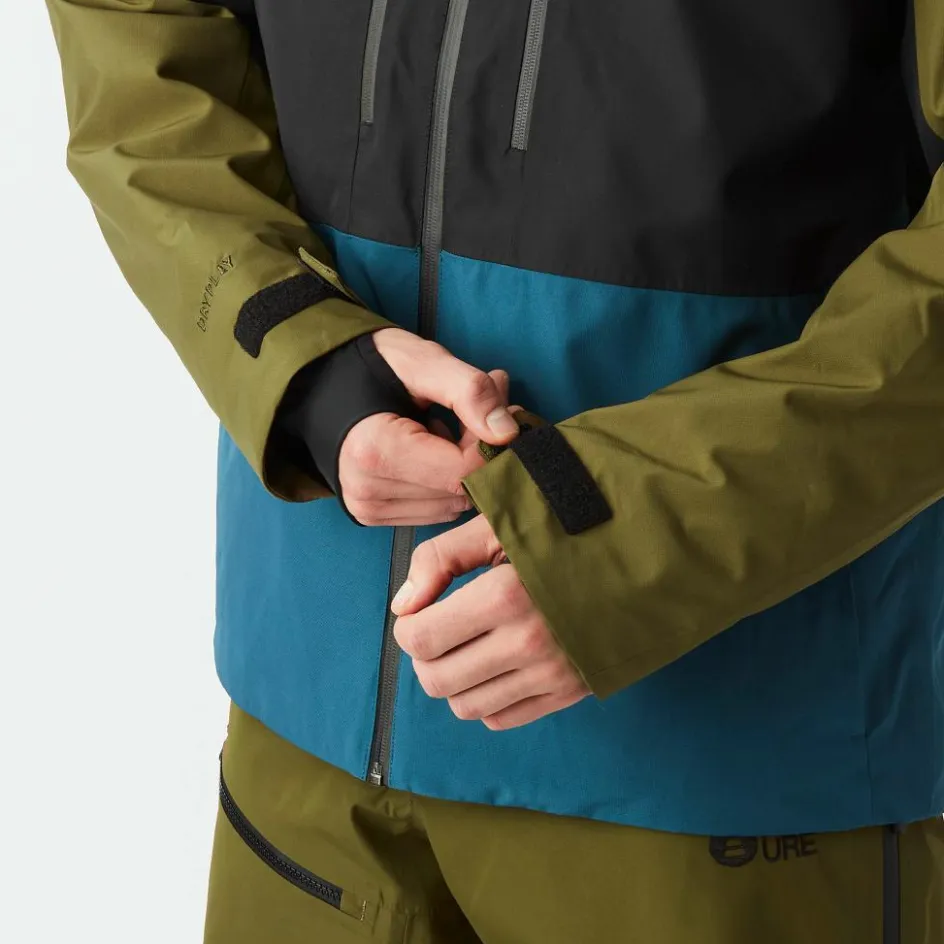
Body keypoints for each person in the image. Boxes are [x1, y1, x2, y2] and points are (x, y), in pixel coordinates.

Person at [45, 1, 944, 941]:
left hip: (719, 767)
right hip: (307, 728)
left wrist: (636, 531)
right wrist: (298, 358)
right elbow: (135, 35)